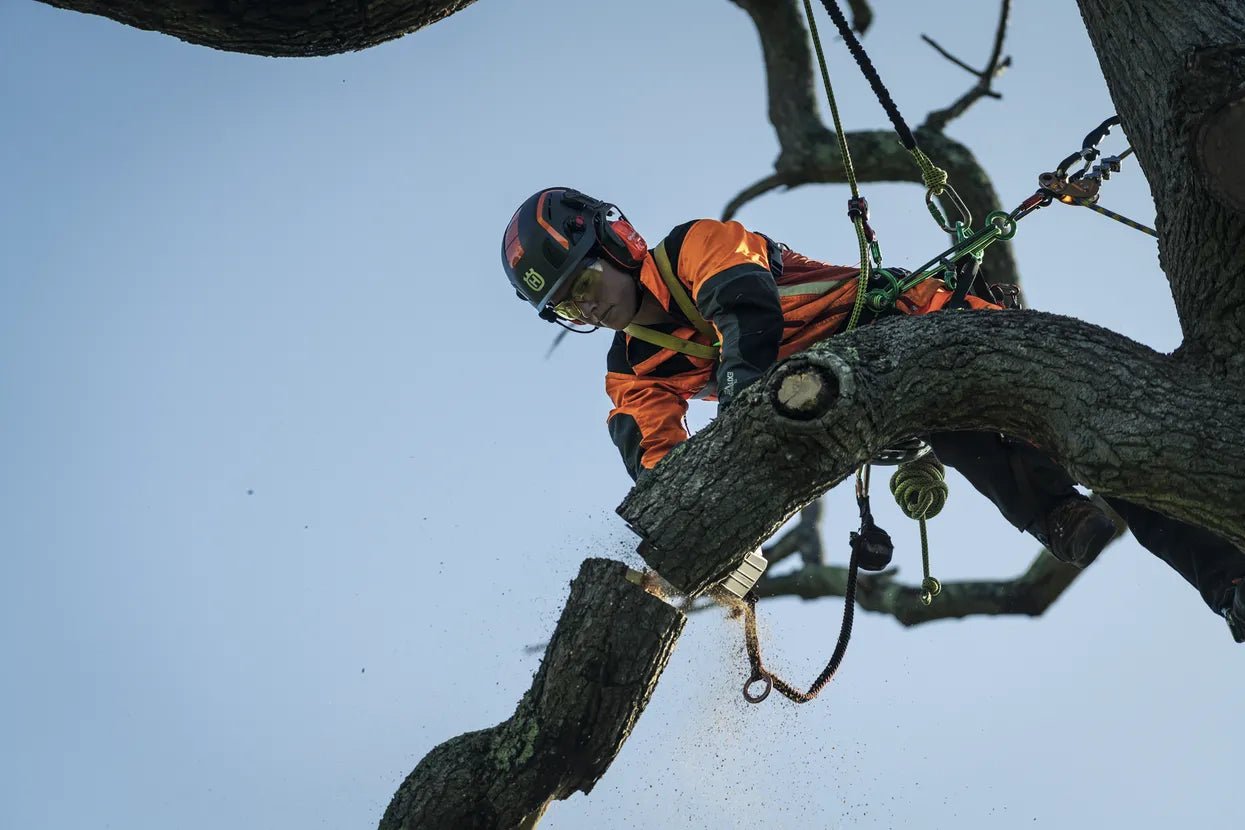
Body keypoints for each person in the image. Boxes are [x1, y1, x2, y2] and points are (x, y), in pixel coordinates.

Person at [500, 186, 1245, 641]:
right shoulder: (631, 372)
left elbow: (744, 312)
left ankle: (1220, 575)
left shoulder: (697, 244)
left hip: (922, 321)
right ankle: (1063, 517)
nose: (584, 304)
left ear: (615, 243)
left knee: (1101, 443)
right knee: (956, 425)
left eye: (583, 279)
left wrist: (742, 411)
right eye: (565, 303)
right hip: (868, 395)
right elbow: (656, 460)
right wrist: (689, 530)